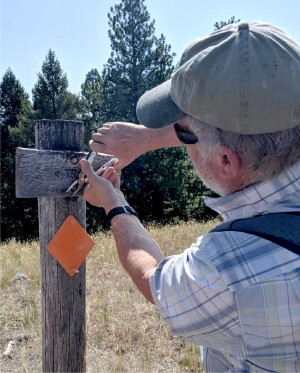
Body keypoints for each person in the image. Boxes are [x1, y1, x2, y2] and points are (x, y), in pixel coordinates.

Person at [80, 22, 300, 372]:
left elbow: (154, 278)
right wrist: (147, 139)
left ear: (227, 160)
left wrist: (112, 202)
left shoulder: (224, 267)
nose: (180, 142)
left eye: (183, 134)